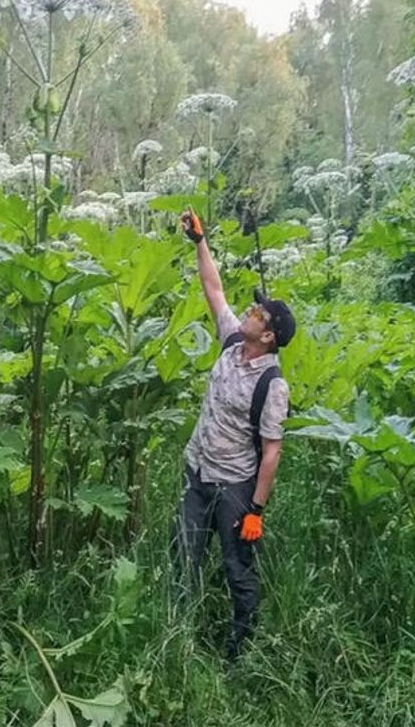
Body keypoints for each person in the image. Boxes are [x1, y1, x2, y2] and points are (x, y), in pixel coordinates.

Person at [172, 207, 295, 659]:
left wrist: (256, 511)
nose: (249, 311)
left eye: (259, 314)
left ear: (269, 337)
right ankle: (177, 637)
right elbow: (214, 288)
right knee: (182, 557)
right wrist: (199, 242)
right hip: (198, 472)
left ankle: (238, 650)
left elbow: (271, 452)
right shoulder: (231, 341)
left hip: (234, 488)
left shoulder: (273, 385)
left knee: (236, 569)